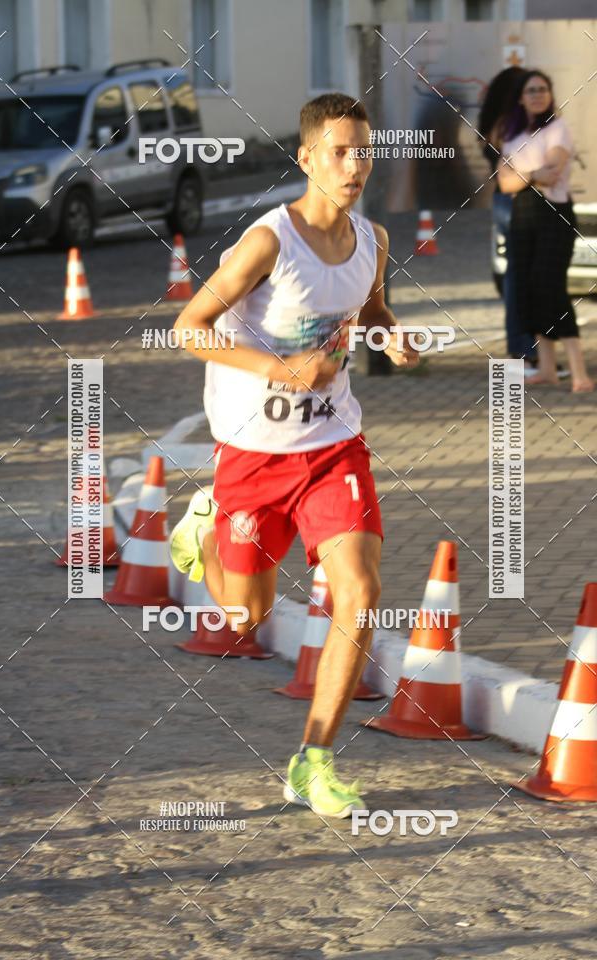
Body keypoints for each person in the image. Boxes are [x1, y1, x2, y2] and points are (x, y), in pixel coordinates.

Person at [168, 93, 418, 819]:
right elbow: (189, 327)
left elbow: (369, 310)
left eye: (363, 150)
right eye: (340, 151)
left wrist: (388, 335)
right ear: (307, 157)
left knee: (361, 592)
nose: (355, 164)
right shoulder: (268, 242)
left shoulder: (373, 239)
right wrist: (282, 370)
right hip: (252, 453)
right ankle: (203, 530)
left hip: (332, 444)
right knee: (244, 616)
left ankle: (314, 759)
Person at [498, 69, 594, 392]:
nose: (538, 94)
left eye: (543, 89)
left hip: (555, 215)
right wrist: (533, 174)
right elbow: (503, 182)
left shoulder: (558, 129)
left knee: (550, 285)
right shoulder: (511, 137)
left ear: (550, 95)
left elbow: (552, 173)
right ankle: (549, 368)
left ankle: (579, 371)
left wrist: (525, 175)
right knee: (529, 287)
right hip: (523, 216)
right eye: (531, 90)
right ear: (521, 98)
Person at [477, 66, 538, 367]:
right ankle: (524, 349)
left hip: (505, 203)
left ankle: (527, 347)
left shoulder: (495, 124)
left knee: (517, 275)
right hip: (516, 203)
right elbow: (514, 172)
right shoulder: (510, 127)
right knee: (520, 278)